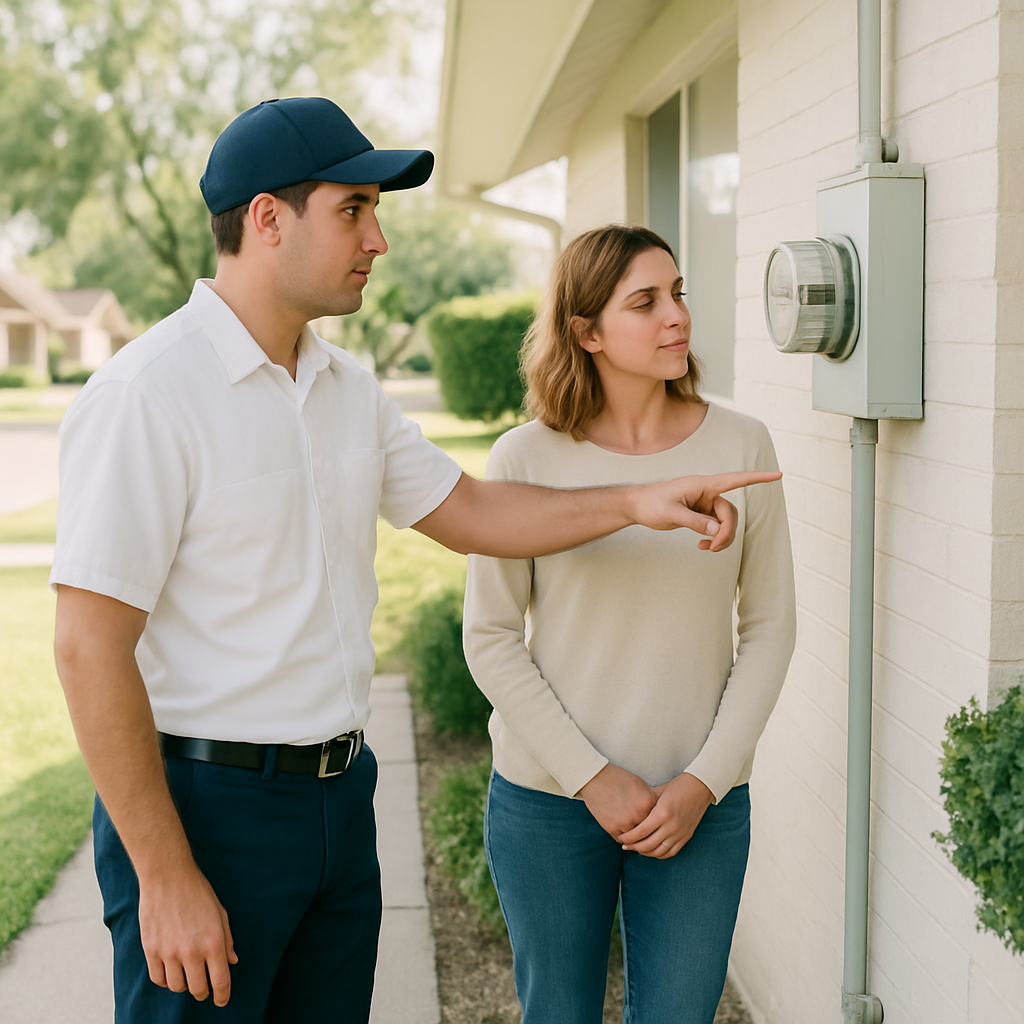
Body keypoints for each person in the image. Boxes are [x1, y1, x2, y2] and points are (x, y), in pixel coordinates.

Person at [49, 101, 780, 1024]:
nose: (378, 239)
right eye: (353, 209)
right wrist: (164, 874)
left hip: (338, 806)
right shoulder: (147, 397)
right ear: (269, 219)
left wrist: (634, 501)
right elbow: (87, 648)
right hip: (208, 812)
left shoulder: (349, 391)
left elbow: (473, 510)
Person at [463, 224, 797, 1024]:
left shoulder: (741, 443)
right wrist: (591, 776)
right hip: (549, 801)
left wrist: (703, 781)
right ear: (587, 332)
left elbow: (772, 628)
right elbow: (491, 638)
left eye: (677, 292)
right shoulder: (524, 460)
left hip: (700, 805)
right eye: (645, 302)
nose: (676, 315)